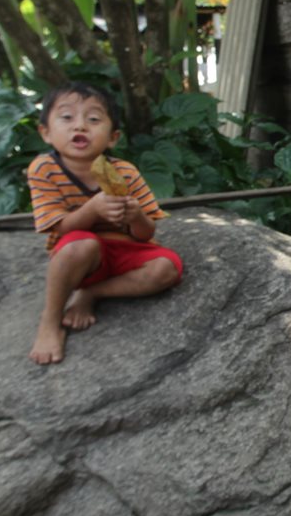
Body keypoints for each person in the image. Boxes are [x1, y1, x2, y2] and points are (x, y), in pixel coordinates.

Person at [27, 82, 182, 364]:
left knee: (167, 269)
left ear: (113, 137)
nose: (80, 126)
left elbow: (146, 234)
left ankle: (91, 293)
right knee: (79, 247)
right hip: (79, 254)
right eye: (67, 118)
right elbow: (59, 228)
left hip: (123, 252)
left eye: (94, 119)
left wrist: (135, 215)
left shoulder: (124, 171)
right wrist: (93, 209)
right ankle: (50, 322)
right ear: (45, 133)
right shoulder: (44, 169)